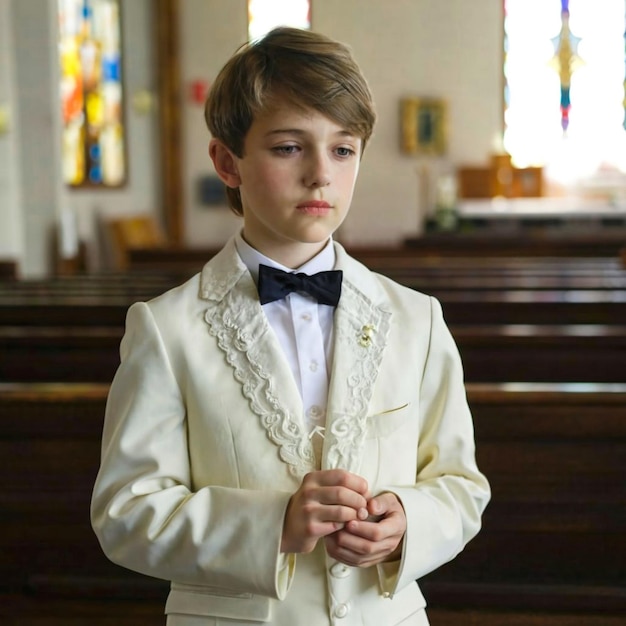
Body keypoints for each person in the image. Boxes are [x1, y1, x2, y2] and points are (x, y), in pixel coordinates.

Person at [91, 26, 490, 626]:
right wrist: (272, 523)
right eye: (288, 147)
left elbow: (461, 485)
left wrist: (408, 521)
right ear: (228, 161)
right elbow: (126, 512)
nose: (321, 175)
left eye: (343, 149)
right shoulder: (167, 329)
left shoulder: (417, 320)